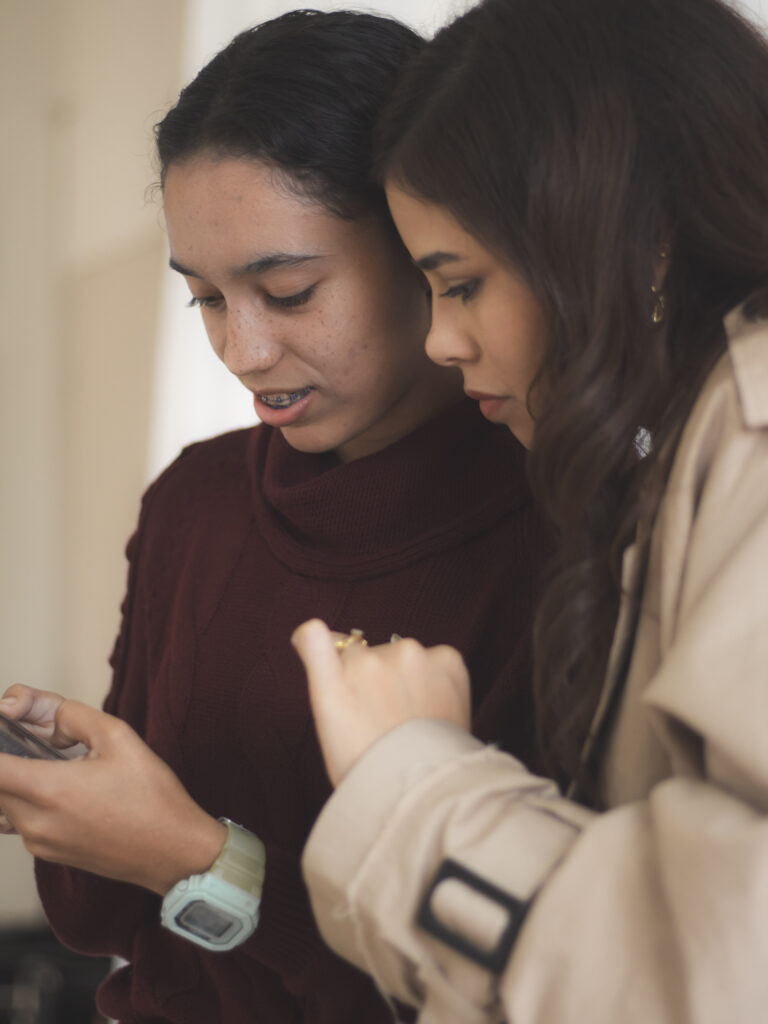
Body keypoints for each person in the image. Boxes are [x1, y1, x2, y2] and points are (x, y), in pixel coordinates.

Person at [0, 10, 550, 1024]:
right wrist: (73, 797)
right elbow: (101, 920)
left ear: (428, 249)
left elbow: (530, 983)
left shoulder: (561, 532)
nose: (242, 353)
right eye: (206, 299)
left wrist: (202, 860)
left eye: (289, 293)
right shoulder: (196, 499)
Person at [289, 0, 768, 1020]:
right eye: (201, 297)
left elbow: (727, 974)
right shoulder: (663, 443)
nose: (440, 341)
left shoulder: (750, 437)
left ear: (647, 243)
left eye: (461, 284)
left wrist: (415, 783)